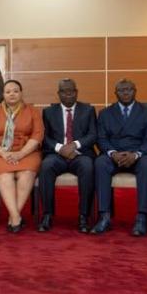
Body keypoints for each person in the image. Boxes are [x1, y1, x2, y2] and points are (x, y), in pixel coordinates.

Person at [93, 79, 147, 236]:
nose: (126, 92)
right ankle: (104, 216)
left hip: (138, 155)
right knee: (100, 162)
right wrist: (112, 153)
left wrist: (136, 154)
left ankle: (141, 217)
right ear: (115, 93)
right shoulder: (105, 113)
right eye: (122, 90)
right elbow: (101, 139)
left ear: (135, 91)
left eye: (129, 89)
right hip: (114, 154)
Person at [0, 80, 44, 233]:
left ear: (21, 93)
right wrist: (3, 153)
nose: (12, 94)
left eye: (16, 91)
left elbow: (37, 135)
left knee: (27, 173)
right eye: (8, 91)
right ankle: (16, 217)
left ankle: (13, 217)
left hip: (27, 152)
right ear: (3, 95)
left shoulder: (32, 111)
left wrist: (20, 154)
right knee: (5, 175)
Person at [37, 79, 97, 233]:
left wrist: (75, 145)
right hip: (57, 154)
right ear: (59, 94)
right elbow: (45, 137)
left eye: (72, 91)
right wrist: (59, 148)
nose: (68, 94)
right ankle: (47, 215)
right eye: (64, 91)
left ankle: (84, 216)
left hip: (80, 154)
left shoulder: (88, 110)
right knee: (46, 166)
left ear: (77, 92)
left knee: (88, 166)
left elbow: (92, 135)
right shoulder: (48, 112)